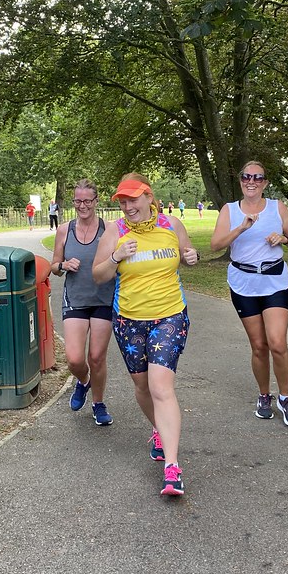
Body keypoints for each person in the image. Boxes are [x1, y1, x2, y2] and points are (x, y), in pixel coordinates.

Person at [93, 173, 199, 497]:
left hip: (169, 316)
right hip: (128, 320)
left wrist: (191, 256)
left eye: (132, 199)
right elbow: (98, 274)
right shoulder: (115, 232)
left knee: (160, 386)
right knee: (141, 387)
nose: (127, 206)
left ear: (148, 196)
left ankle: (172, 467)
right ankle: (158, 429)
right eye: (122, 201)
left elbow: (187, 252)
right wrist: (116, 257)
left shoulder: (171, 225)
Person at [210, 160, 288, 427]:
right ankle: (264, 395)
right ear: (240, 180)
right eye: (246, 176)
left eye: (257, 177)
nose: (251, 181)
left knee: (277, 342)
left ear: (265, 182)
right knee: (259, 346)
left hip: (274, 280)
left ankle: (285, 398)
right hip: (243, 283)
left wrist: (283, 239)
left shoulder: (277, 208)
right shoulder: (229, 210)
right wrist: (241, 228)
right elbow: (216, 245)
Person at [51, 180, 115, 426]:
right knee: (75, 359)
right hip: (75, 299)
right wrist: (63, 266)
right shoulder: (64, 230)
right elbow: (54, 266)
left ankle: (98, 403)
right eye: (78, 201)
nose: (82, 206)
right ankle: (84, 380)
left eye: (87, 201)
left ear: (96, 202)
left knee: (97, 356)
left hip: (103, 298)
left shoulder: (109, 229)